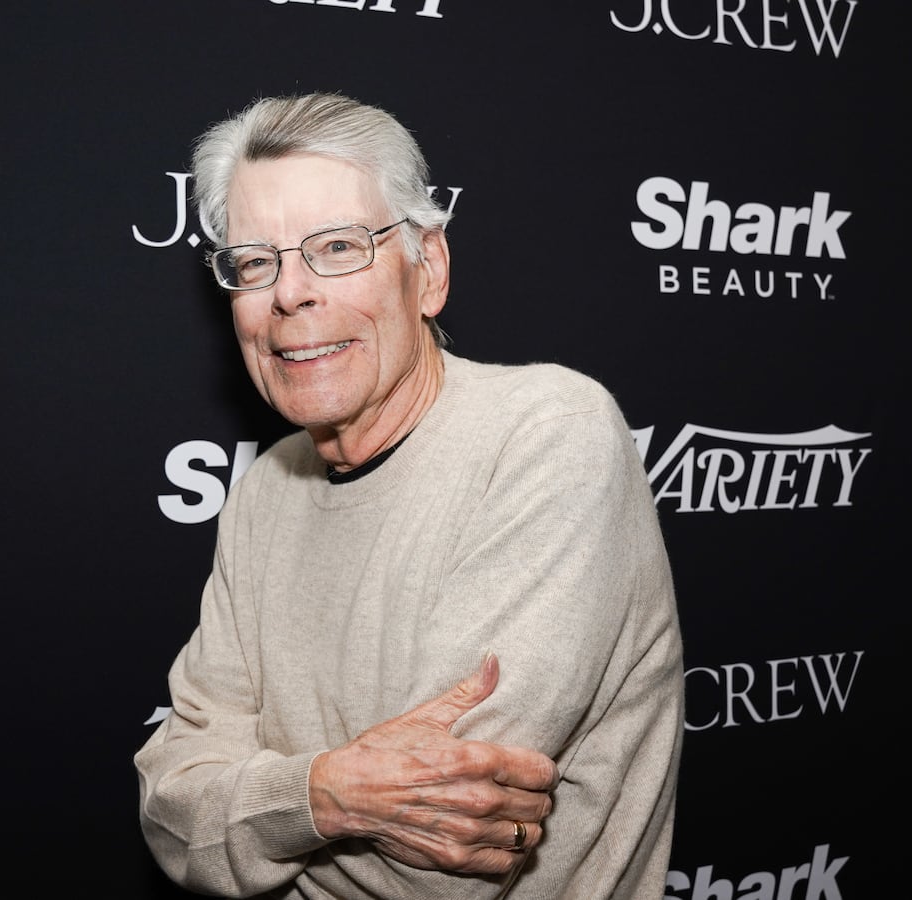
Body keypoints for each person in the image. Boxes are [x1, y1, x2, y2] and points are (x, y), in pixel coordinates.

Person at [135, 91, 684, 899]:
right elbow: (172, 812)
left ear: (428, 270)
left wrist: (260, 810)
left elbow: (439, 870)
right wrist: (331, 794)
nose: (291, 294)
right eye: (255, 262)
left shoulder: (547, 435)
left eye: (337, 247)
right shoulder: (263, 496)